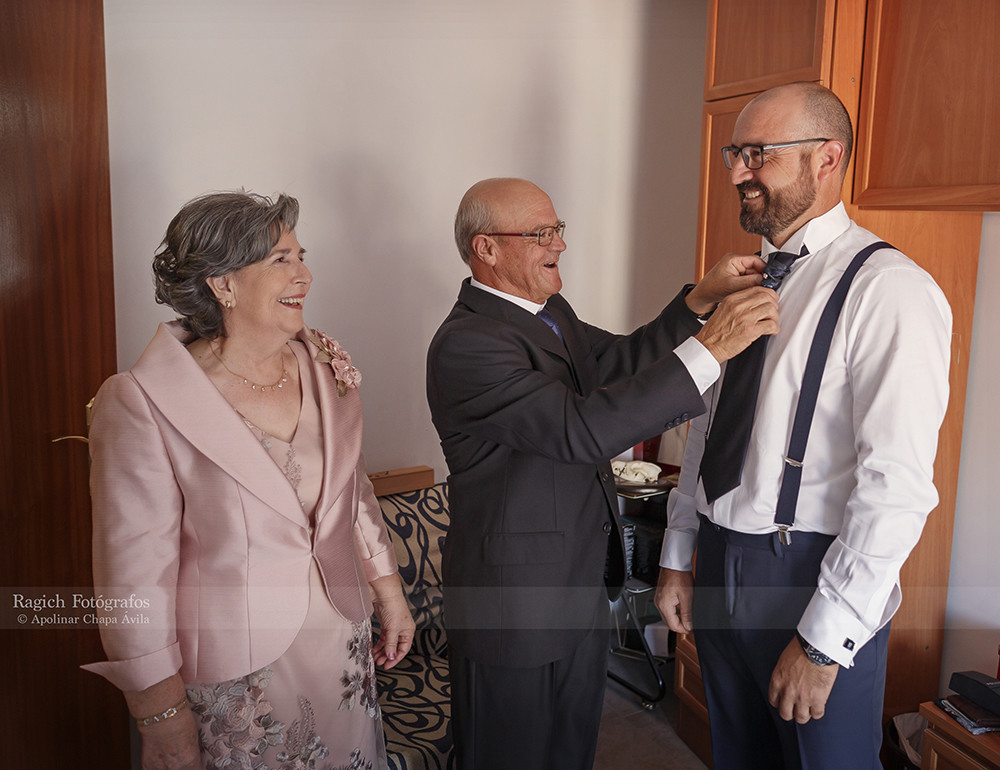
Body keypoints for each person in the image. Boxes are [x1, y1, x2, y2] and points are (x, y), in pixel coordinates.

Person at [425, 177, 780, 770]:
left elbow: (618, 362)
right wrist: (712, 349)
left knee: (570, 754)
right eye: (540, 233)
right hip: (511, 611)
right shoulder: (467, 345)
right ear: (485, 248)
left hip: (575, 592)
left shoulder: (547, 312)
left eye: (557, 228)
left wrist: (696, 304)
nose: (558, 244)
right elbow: (579, 430)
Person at [654, 82, 953, 769]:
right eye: (736, 152)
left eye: (758, 153)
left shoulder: (890, 290)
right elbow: (710, 426)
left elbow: (896, 486)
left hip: (813, 574)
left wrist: (824, 641)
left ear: (827, 158)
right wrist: (679, 553)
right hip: (723, 559)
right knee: (738, 756)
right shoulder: (747, 277)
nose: (737, 171)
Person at [83, 191, 415, 770]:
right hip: (243, 676)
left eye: (301, 255)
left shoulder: (321, 363)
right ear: (222, 283)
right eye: (280, 260)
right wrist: (158, 714)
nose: (304, 274)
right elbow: (132, 577)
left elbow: (351, 489)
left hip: (342, 642)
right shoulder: (143, 401)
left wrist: (387, 589)